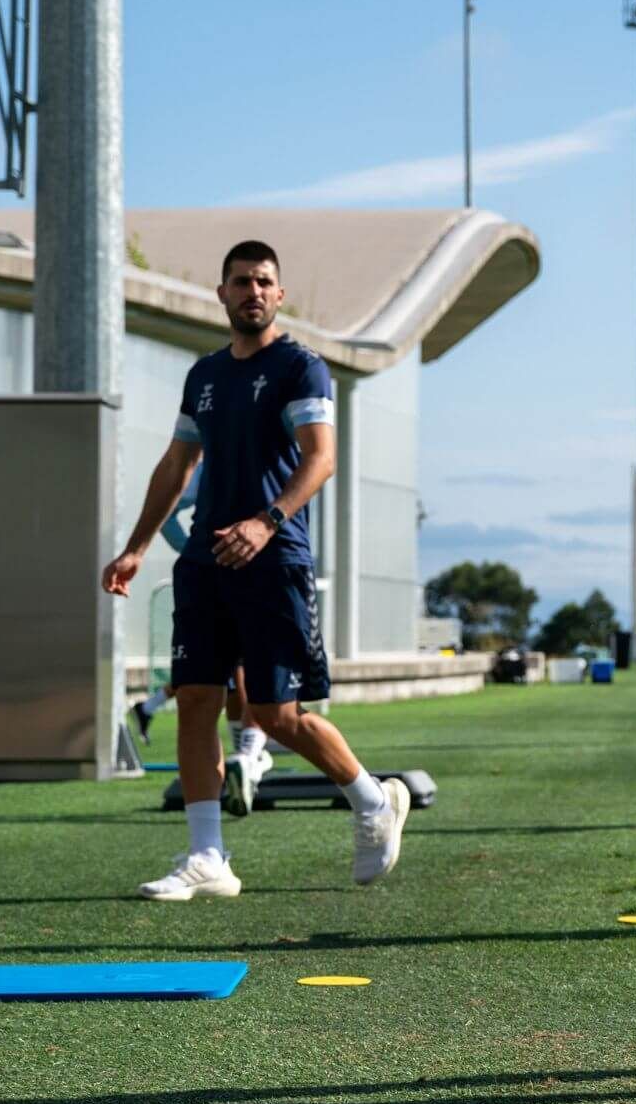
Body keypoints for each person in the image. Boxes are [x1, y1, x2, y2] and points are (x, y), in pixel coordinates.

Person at [102, 239, 411, 901]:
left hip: (275, 561)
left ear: (279, 293)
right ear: (222, 293)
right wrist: (135, 545)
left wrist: (266, 520)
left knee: (275, 713)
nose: (252, 291)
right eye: (240, 281)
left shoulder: (302, 368)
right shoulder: (205, 375)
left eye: (264, 281)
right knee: (195, 702)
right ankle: (208, 856)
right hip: (205, 566)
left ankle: (373, 800)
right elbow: (176, 465)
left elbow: (320, 458)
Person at [129, 463, 275, 816]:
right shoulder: (224, 455)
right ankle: (249, 756)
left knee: (224, 679)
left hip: (221, 576)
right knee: (246, 678)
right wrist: (202, 550)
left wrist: (197, 550)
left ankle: (246, 756)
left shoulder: (227, 450)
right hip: (245, 577)